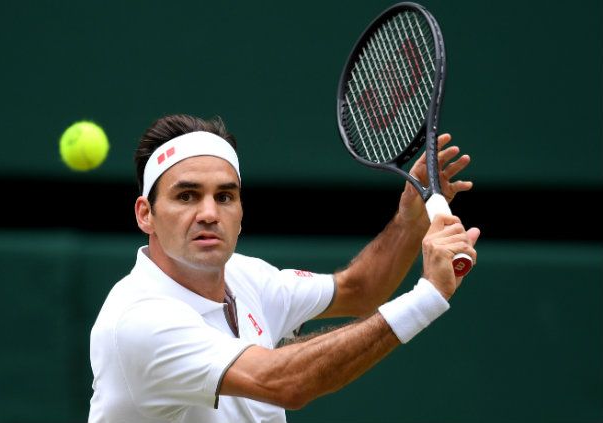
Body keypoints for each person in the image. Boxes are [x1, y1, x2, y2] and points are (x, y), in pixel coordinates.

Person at [88, 114, 479, 423]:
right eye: (187, 195)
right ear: (146, 214)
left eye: (225, 196)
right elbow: (283, 381)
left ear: (240, 211)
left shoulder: (248, 277)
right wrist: (428, 297)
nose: (208, 213)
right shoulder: (139, 320)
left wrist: (409, 220)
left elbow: (361, 289)